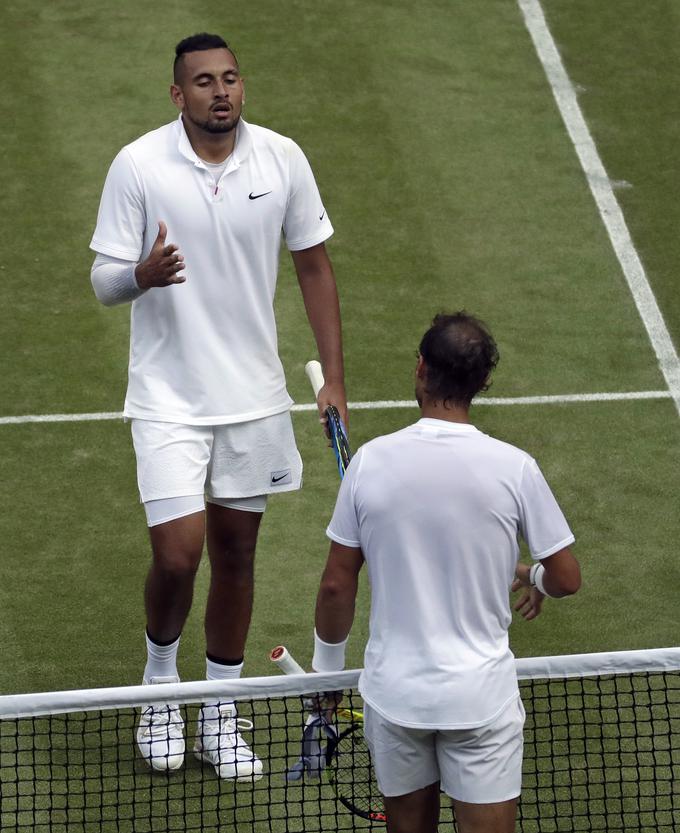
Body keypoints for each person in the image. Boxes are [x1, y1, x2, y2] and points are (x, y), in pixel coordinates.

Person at [89, 32, 346, 780]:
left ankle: (220, 708)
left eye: (230, 78)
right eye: (203, 81)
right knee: (178, 553)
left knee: (237, 554)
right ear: (178, 95)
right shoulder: (138, 165)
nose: (220, 92)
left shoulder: (281, 159)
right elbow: (104, 281)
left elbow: (315, 265)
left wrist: (333, 379)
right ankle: (161, 687)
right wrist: (141, 273)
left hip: (255, 398)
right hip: (168, 397)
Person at [312, 312, 580, 833]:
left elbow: (336, 583)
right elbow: (566, 577)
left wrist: (327, 675)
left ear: (420, 368)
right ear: (481, 382)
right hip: (479, 701)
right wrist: (535, 578)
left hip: (397, 697)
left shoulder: (368, 463)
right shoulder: (514, 467)